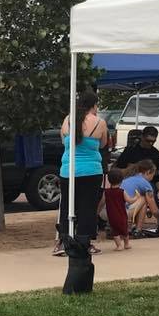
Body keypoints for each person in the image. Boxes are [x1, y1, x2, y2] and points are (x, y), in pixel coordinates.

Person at [54, 90, 108, 257]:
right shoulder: (100, 122)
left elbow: (64, 141)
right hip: (91, 171)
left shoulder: (68, 119)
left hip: (68, 170)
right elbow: (103, 144)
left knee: (67, 206)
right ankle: (85, 241)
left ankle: (64, 240)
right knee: (88, 208)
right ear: (94, 105)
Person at [116, 125, 159, 203]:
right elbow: (117, 170)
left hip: (148, 185)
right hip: (130, 183)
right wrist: (131, 170)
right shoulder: (130, 151)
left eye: (153, 141)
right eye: (148, 141)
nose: (151, 144)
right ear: (142, 137)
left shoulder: (157, 155)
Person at [122, 160, 159, 237]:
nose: (153, 177)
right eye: (153, 174)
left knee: (139, 199)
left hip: (113, 213)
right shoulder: (145, 183)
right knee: (144, 199)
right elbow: (154, 210)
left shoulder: (127, 179)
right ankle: (138, 230)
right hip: (125, 213)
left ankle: (134, 228)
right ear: (148, 172)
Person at [99, 167, 131, 251]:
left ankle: (119, 245)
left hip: (112, 216)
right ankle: (126, 244)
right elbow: (129, 200)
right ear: (121, 180)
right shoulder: (122, 191)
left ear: (109, 180)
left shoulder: (106, 192)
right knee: (124, 230)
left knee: (115, 231)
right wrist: (136, 197)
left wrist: (97, 211)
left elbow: (102, 202)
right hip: (122, 215)